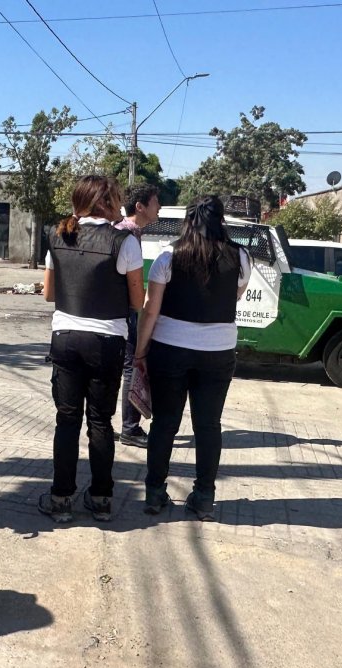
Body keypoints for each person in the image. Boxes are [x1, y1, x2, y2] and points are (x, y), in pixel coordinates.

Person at [136, 195, 250, 522]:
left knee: (165, 424)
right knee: (208, 426)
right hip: (218, 352)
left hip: (169, 349)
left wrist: (141, 351)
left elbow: (151, 309)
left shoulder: (168, 256)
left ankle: (155, 494)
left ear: (187, 220)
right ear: (221, 220)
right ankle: (204, 498)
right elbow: (234, 296)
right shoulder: (241, 257)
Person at [39, 175, 145, 523]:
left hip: (65, 337)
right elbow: (136, 300)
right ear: (107, 200)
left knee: (66, 420)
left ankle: (61, 498)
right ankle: (100, 498)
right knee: (100, 421)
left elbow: (49, 294)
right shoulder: (124, 242)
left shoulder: (57, 235)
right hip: (107, 341)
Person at [114, 183, 161, 448]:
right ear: (140, 207)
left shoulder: (126, 230)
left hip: (118, 310)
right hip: (125, 311)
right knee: (132, 366)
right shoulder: (128, 232)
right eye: (155, 202)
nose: (159, 207)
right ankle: (130, 428)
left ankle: (119, 425)